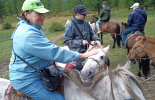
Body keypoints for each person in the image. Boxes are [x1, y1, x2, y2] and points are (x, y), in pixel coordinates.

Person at [9, 0, 99, 100]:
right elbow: (53, 51)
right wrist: (82, 55)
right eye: (38, 13)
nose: (42, 16)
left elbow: (41, 51)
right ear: (26, 14)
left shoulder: (32, 28)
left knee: (72, 77)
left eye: (43, 13)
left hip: (38, 69)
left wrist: (51, 62)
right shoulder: (27, 34)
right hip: (27, 79)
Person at [63, 4, 101, 71]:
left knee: (104, 61)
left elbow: (92, 35)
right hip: (78, 53)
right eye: (84, 14)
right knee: (79, 66)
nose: (86, 16)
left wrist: (97, 39)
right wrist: (80, 42)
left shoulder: (86, 23)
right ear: (77, 14)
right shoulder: (70, 25)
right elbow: (67, 41)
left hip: (89, 49)